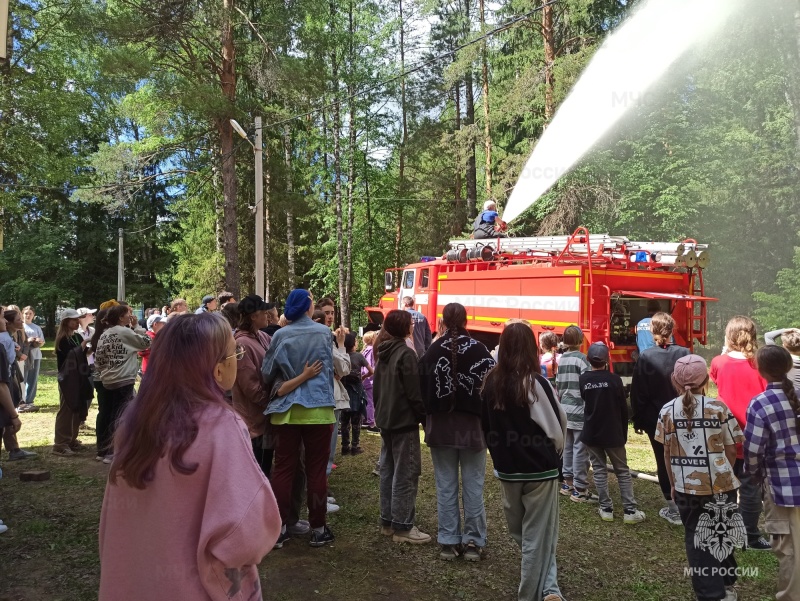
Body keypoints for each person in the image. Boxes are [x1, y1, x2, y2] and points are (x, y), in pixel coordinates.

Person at [98, 312, 281, 601]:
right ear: (218, 369)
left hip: (131, 584)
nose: (238, 357)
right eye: (237, 352)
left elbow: (113, 524)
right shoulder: (221, 425)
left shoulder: (135, 424)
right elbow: (246, 532)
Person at [481, 322, 566, 601]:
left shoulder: (490, 383)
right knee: (535, 535)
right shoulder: (536, 383)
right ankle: (543, 589)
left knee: (527, 533)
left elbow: (485, 427)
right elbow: (556, 425)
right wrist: (557, 455)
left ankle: (545, 590)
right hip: (539, 468)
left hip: (508, 469)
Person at [656, 355, 742, 601]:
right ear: (706, 380)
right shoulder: (718, 408)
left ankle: (714, 589)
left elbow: (667, 452)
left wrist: (673, 483)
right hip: (721, 485)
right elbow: (732, 448)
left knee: (698, 536)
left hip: (686, 487)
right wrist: (725, 472)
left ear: (674, 380)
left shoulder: (666, 411)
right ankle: (720, 589)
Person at [262, 289, 338, 548]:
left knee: (283, 469)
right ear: (308, 307)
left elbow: (267, 371)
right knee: (317, 471)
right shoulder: (324, 333)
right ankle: (318, 529)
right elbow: (328, 369)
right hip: (319, 409)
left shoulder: (281, 335)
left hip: (287, 411)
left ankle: (280, 529)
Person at [420, 302, 494, 561]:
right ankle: (473, 543)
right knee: (473, 486)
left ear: (442, 320)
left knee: (446, 484)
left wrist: (425, 421)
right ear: (465, 320)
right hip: (472, 430)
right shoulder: (481, 351)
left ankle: (449, 542)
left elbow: (421, 393)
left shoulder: (431, 351)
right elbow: (493, 392)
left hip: (440, 429)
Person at [710, 316, 770, 550]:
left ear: (729, 336)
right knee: (751, 487)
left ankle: (723, 530)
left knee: (724, 484)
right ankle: (751, 536)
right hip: (754, 434)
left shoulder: (718, 361)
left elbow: (717, 381)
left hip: (724, 434)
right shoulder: (760, 364)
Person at [745, 345, 800, 601]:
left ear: (760, 369)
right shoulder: (797, 395)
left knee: (788, 548)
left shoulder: (760, 403)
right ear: (788, 366)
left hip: (781, 486)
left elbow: (754, 450)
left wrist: (754, 476)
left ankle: (790, 596)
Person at [373, 309, 430, 544]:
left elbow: (377, 389)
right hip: (403, 421)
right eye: (410, 323)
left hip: (385, 419)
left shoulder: (382, 351)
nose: (413, 327)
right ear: (404, 327)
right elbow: (414, 393)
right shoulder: (405, 354)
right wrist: (425, 419)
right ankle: (403, 527)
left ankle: (388, 522)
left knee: (388, 470)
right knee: (405, 473)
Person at [631, 311, 690, 526]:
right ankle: (689, 500)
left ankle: (673, 507)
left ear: (653, 331)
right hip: (685, 416)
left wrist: (637, 419)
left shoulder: (646, 356)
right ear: (672, 329)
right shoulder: (685, 353)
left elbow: (639, 392)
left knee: (663, 460)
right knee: (685, 458)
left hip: (656, 419)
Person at [580, 342, 644, 524]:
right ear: (608, 360)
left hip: (591, 433)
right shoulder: (615, 380)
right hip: (613, 433)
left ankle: (606, 508)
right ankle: (630, 511)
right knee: (622, 471)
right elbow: (624, 410)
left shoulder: (583, 380)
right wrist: (623, 434)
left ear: (587, 359)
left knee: (599, 470)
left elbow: (585, 401)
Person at [93, 304, 151, 463]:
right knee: (121, 416)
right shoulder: (124, 331)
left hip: (107, 379)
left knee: (108, 414)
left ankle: (104, 451)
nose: (131, 316)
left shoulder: (105, 334)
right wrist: (137, 326)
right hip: (123, 379)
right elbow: (146, 342)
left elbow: (99, 359)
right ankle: (116, 452)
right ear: (121, 317)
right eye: (129, 313)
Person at [232, 295, 273, 476]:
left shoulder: (262, 336)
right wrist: (270, 403)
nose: (268, 315)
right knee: (257, 471)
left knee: (265, 467)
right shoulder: (241, 344)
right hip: (253, 422)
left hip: (265, 417)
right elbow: (249, 385)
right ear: (253, 316)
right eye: (264, 312)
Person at [555, 325, 595, 502]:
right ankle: (579, 488)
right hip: (579, 409)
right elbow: (587, 385)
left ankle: (567, 483)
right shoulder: (582, 360)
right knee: (580, 449)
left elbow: (558, 384)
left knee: (568, 447)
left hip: (565, 409)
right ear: (580, 340)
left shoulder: (561, 359)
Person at [53, 308, 93, 455]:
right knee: (66, 409)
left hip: (79, 375)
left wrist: (90, 347)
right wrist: (85, 343)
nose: (77, 322)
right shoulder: (63, 339)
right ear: (66, 322)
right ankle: (60, 443)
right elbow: (72, 354)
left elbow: (83, 354)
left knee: (77, 407)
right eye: (74, 320)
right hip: (68, 378)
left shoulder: (77, 336)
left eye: (78, 319)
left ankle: (72, 439)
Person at [0, 308, 35, 461]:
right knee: (7, 412)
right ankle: (14, 449)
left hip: (8, 377)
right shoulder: (4, 339)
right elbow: (6, 363)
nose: (21, 321)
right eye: (18, 319)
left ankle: (14, 448)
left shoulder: (10, 337)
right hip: (5, 378)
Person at [340, 333, 371, 455]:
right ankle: (355, 446)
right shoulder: (359, 356)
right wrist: (363, 377)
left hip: (344, 392)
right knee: (356, 421)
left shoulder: (342, 356)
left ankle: (344, 446)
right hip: (357, 392)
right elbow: (371, 371)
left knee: (344, 422)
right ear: (354, 344)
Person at [21, 306, 44, 412]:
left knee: (33, 378)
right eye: (26, 313)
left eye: (30, 313)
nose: (28, 315)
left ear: (33, 315)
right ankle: (22, 400)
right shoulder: (21, 326)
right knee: (23, 378)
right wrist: (28, 340)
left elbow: (43, 342)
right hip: (24, 356)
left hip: (36, 356)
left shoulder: (37, 327)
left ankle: (30, 400)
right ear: (22, 314)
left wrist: (39, 341)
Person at [361, 330, 377, 429]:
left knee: (368, 400)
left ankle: (366, 418)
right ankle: (370, 421)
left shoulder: (365, 350)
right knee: (370, 401)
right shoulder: (371, 351)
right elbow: (370, 366)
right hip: (370, 380)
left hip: (366, 379)